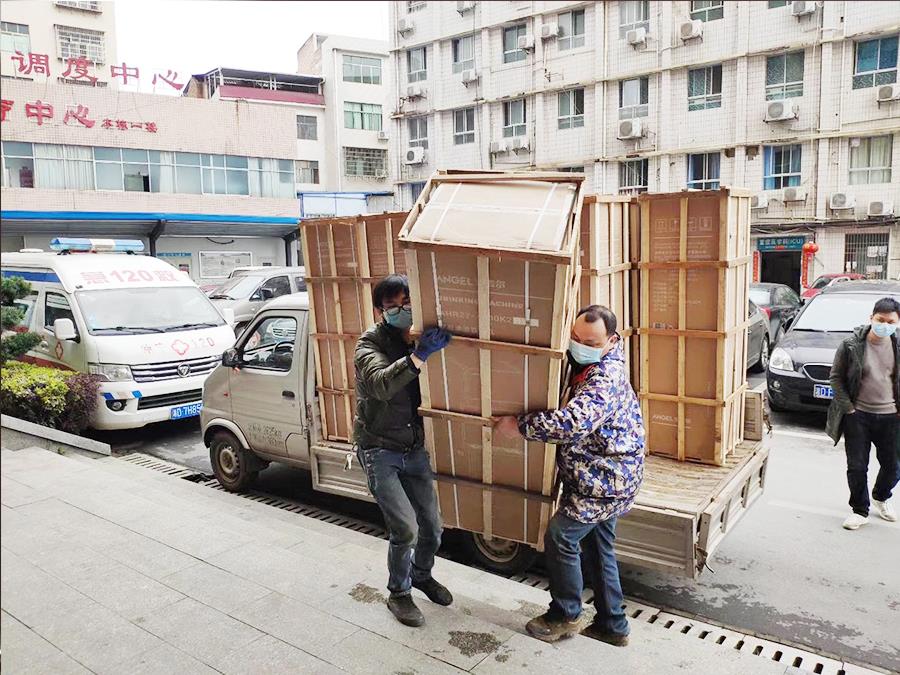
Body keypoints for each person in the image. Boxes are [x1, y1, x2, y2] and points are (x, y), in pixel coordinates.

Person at [493, 305, 644, 646]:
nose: (580, 346)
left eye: (590, 342)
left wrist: (520, 426)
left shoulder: (605, 377)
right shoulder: (583, 365)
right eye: (575, 338)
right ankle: (613, 625)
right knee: (598, 547)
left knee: (561, 536)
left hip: (604, 482)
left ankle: (565, 615)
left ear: (612, 341)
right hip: (603, 476)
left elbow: (574, 423)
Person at [354, 274, 453, 627]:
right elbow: (381, 385)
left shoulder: (416, 334)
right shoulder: (368, 344)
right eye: (392, 305)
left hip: (413, 446)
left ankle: (421, 574)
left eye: (406, 303)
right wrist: (419, 355)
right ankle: (399, 592)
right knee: (406, 529)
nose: (401, 309)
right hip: (379, 449)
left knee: (434, 526)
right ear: (379, 310)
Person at [827, 296, 900, 530]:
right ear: (871, 318)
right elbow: (836, 378)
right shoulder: (851, 345)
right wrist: (849, 408)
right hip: (858, 415)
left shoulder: (898, 346)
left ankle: (881, 496)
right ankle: (859, 510)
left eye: (891, 322)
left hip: (892, 417)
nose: (885, 325)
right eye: (881, 320)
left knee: (893, 466)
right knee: (857, 466)